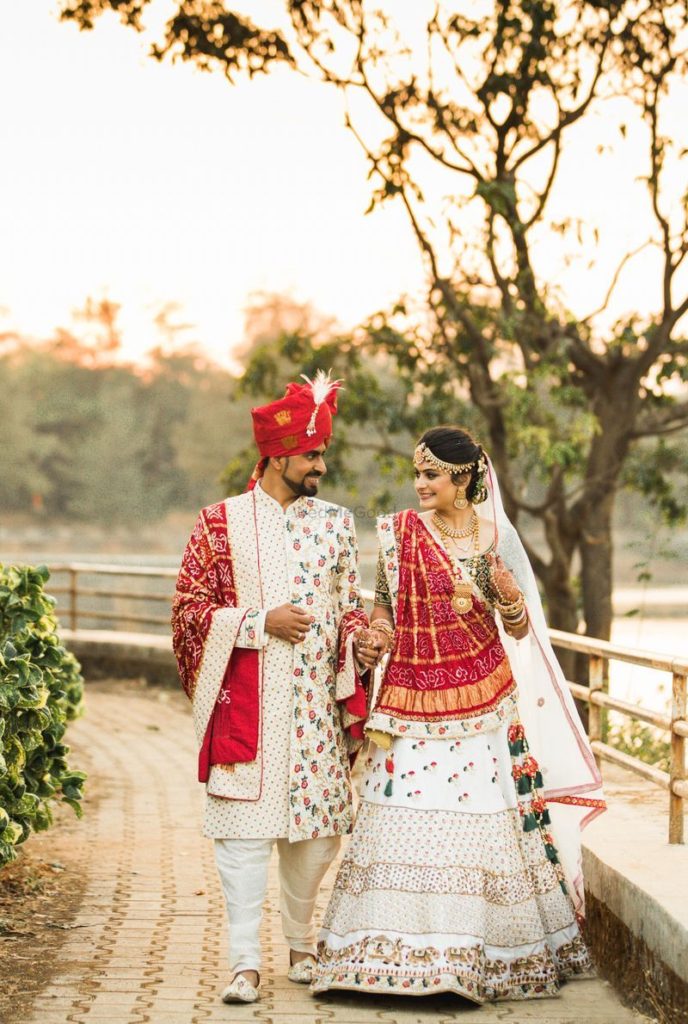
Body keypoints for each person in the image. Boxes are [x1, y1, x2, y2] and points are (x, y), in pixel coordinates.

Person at [312, 425, 606, 1003]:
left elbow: (520, 629)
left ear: (464, 477)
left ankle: (466, 959)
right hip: (411, 703)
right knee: (402, 815)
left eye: (431, 475)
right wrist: (374, 635)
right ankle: (378, 953)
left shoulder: (496, 537)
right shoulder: (399, 535)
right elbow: (383, 607)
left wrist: (512, 600)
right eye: (417, 474)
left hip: (484, 706)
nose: (419, 485)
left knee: (478, 823)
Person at [172, 371, 376, 1005]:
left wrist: (361, 640)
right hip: (248, 708)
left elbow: (349, 606)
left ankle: (302, 946)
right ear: (279, 453)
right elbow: (187, 612)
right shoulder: (218, 524)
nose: (321, 464)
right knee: (242, 837)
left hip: (314, 708)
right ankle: (243, 964)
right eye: (312, 454)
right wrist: (260, 623)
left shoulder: (337, 524)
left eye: (323, 453)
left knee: (314, 839)